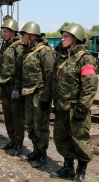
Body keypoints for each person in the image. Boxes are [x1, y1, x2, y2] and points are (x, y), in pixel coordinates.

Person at [50, 23, 98, 182]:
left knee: (80, 139)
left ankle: (81, 172)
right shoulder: (61, 58)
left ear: (75, 38)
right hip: (61, 106)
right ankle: (68, 168)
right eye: (62, 36)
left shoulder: (85, 58)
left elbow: (90, 86)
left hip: (76, 107)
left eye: (66, 37)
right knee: (62, 137)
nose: (62, 39)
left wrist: (82, 108)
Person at [19, 22, 55, 168]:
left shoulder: (45, 52)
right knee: (31, 124)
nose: (21, 37)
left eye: (24, 35)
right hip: (29, 94)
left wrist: (46, 98)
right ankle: (35, 150)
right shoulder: (27, 51)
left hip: (40, 94)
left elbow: (50, 77)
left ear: (32, 35)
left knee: (41, 126)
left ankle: (43, 154)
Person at [0, 19, 25, 156]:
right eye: (3, 31)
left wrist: (17, 88)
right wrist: (0, 85)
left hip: (14, 86)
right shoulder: (5, 46)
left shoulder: (19, 46)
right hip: (5, 84)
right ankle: (12, 140)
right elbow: (2, 67)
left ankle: (19, 144)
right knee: (7, 115)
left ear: (13, 32)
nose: (4, 34)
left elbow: (20, 69)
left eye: (6, 32)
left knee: (16, 117)